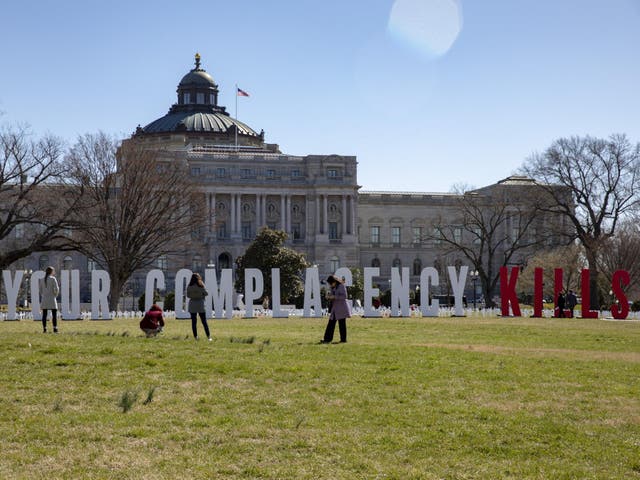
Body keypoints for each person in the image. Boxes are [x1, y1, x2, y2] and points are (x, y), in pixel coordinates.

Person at [321, 275, 350, 344]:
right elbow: (332, 295)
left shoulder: (341, 286)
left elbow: (344, 296)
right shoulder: (332, 287)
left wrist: (334, 297)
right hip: (335, 308)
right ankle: (327, 339)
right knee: (331, 323)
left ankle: (343, 340)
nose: (330, 285)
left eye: (331, 283)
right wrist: (329, 297)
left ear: (334, 281)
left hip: (341, 308)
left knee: (342, 324)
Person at [186, 273, 212, 341]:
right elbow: (206, 293)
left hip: (192, 304)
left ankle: (196, 336)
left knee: (194, 322)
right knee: (204, 321)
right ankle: (209, 336)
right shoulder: (201, 286)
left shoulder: (189, 286)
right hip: (200, 304)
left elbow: (188, 296)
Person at [40, 266, 60, 333]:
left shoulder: (42, 279)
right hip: (51, 298)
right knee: (54, 314)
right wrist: (55, 295)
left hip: (44, 299)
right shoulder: (53, 279)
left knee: (44, 315)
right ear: (51, 271)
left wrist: (43, 295)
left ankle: (45, 329)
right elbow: (57, 288)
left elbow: (40, 290)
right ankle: (55, 328)